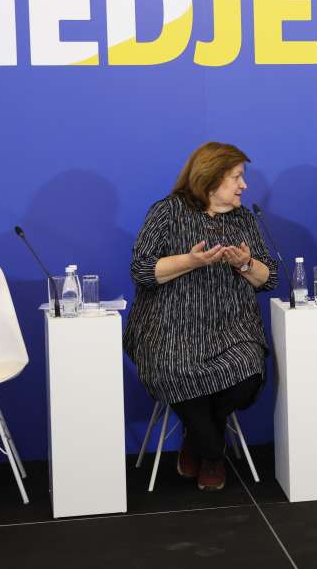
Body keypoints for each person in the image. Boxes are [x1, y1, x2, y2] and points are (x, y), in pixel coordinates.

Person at [124, 142, 278, 491]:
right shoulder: (167, 212)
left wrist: (246, 264)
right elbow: (141, 270)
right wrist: (190, 261)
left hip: (232, 328)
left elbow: (269, 279)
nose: (244, 185)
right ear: (211, 179)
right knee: (175, 368)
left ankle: (195, 440)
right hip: (169, 327)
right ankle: (212, 453)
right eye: (237, 177)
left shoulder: (243, 218)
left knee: (247, 376)